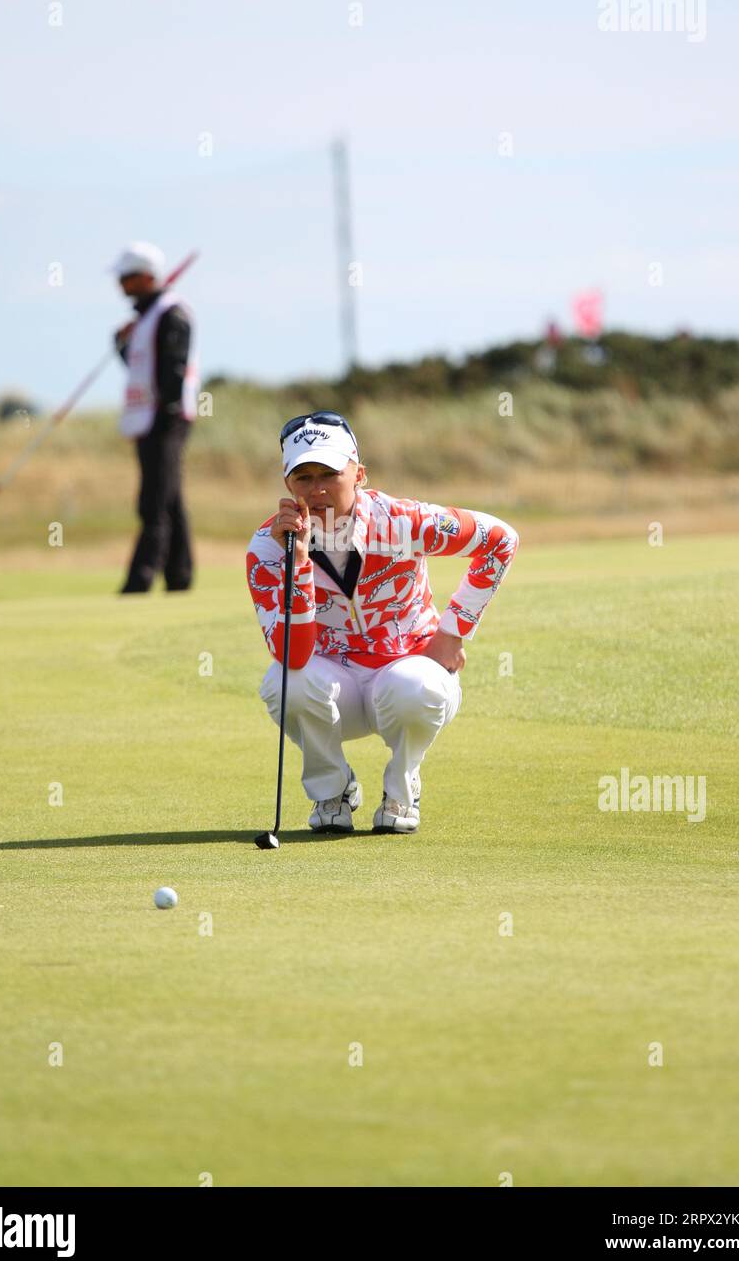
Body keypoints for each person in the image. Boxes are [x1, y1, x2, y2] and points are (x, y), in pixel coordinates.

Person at [245, 411, 520, 834]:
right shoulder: (268, 547)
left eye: (330, 473)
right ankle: (332, 790)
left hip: (406, 674)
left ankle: (402, 788)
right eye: (303, 477)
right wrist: (297, 563)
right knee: (284, 683)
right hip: (337, 691)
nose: (317, 489)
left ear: (359, 475)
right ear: (287, 485)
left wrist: (452, 632)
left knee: (418, 688)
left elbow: (500, 539)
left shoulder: (405, 522)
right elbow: (293, 654)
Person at [111, 242, 200, 593]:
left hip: (166, 419)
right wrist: (119, 344)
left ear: (147, 277)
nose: (121, 285)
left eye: (127, 278)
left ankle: (140, 579)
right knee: (170, 498)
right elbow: (138, 368)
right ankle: (180, 576)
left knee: (153, 502)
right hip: (147, 419)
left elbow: (172, 373)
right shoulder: (145, 318)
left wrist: (166, 414)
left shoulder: (171, 314)